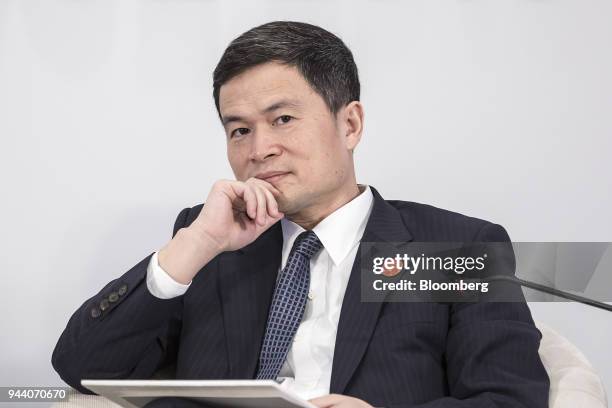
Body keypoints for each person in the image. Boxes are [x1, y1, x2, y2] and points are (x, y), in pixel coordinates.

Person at [52, 21, 550, 408]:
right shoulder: (210, 240)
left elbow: (508, 398)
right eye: (239, 130)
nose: (259, 148)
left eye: (282, 119)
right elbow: (80, 368)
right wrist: (192, 247)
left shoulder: (451, 248)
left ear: (349, 124)